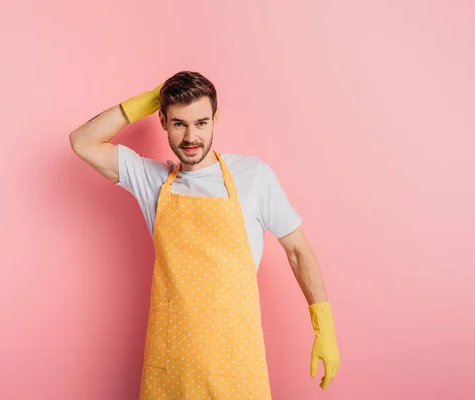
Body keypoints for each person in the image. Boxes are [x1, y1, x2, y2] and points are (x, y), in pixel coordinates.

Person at [69, 71, 340, 399]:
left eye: (201, 122)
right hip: (173, 364)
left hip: (236, 361)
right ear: (163, 121)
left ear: (215, 118)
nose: (190, 137)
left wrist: (323, 325)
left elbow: (297, 249)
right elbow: (82, 141)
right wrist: (149, 99)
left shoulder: (252, 176)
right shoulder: (151, 180)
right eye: (179, 123)